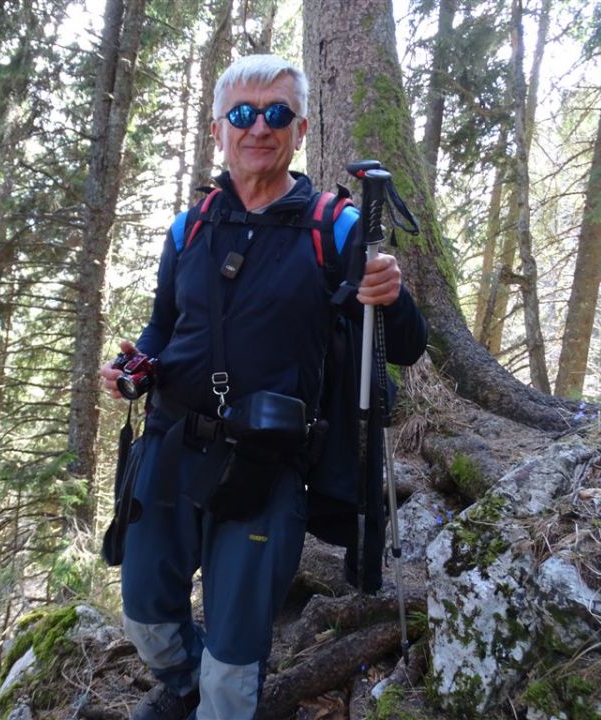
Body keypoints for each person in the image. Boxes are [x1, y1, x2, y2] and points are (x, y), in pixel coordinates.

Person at [99, 54, 426, 720]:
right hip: (170, 442)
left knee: (236, 652)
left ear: (300, 130)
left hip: (267, 462)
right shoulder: (189, 227)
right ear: (218, 129)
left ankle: (217, 703)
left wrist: (390, 295)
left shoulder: (333, 226)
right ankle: (182, 686)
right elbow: (163, 325)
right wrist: (135, 365)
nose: (259, 127)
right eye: (243, 114)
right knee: (146, 614)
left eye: (277, 113)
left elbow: (406, 345)